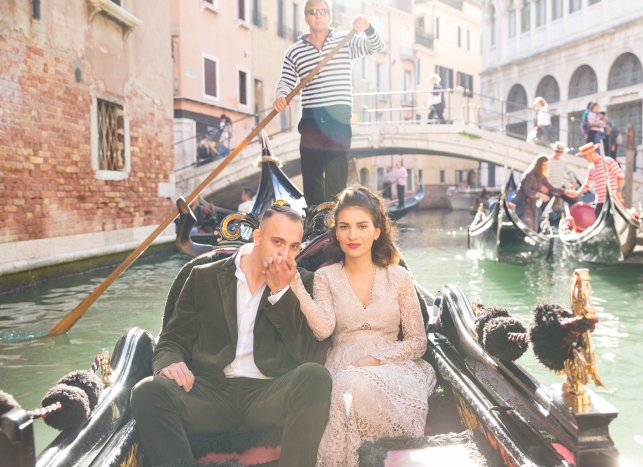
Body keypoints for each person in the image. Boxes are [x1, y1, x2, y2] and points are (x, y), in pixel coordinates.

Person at [130, 204, 332, 467]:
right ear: (257, 238)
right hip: (210, 393)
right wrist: (169, 363)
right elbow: (171, 340)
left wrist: (281, 294)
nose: (285, 254)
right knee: (147, 391)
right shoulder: (203, 277)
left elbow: (305, 354)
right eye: (277, 242)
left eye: (294, 246)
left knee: (315, 377)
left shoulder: (302, 283)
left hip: (269, 394)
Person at [272, 185, 435, 466]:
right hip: (343, 365)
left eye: (361, 226)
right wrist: (296, 285)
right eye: (344, 226)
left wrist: (376, 359)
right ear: (335, 232)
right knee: (350, 384)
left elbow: (417, 342)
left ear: (377, 230)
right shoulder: (325, 277)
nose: (352, 235)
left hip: (393, 367)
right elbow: (323, 330)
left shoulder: (399, 277)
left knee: (356, 385)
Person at [274, 1, 385, 207]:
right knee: (312, 180)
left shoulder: (345, 41)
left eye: (323, 11)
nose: (318, 15)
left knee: (336, 180)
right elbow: (285, 83)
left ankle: (335, 225)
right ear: (306, 18)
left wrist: (368, 27)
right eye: (313, 12)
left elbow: (376, 46)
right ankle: (317, 226)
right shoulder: (294, 52)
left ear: (329, 16)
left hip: (338, 120)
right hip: (310, 121)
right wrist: (281, 96)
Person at [513, 154, 576, 231]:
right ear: (539, 165)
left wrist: (566, 192)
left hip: (531, 202)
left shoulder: (541, 176)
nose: (545, 167)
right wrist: (540, 195)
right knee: (528, 223)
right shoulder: (530, 174)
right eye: (544, 165)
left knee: (535, 224)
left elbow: (551, 187)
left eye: (547, 165)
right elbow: (528, 191)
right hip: (522, 202)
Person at [570, 142, 625, 217]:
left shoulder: (608, 161)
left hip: (612, 200)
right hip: (599, 202)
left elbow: (620, 176)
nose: (584, 158)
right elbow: (587, 185)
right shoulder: (591, 168)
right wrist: (577, 193)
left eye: (584, 156)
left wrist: (619, 191)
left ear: (590, 153)